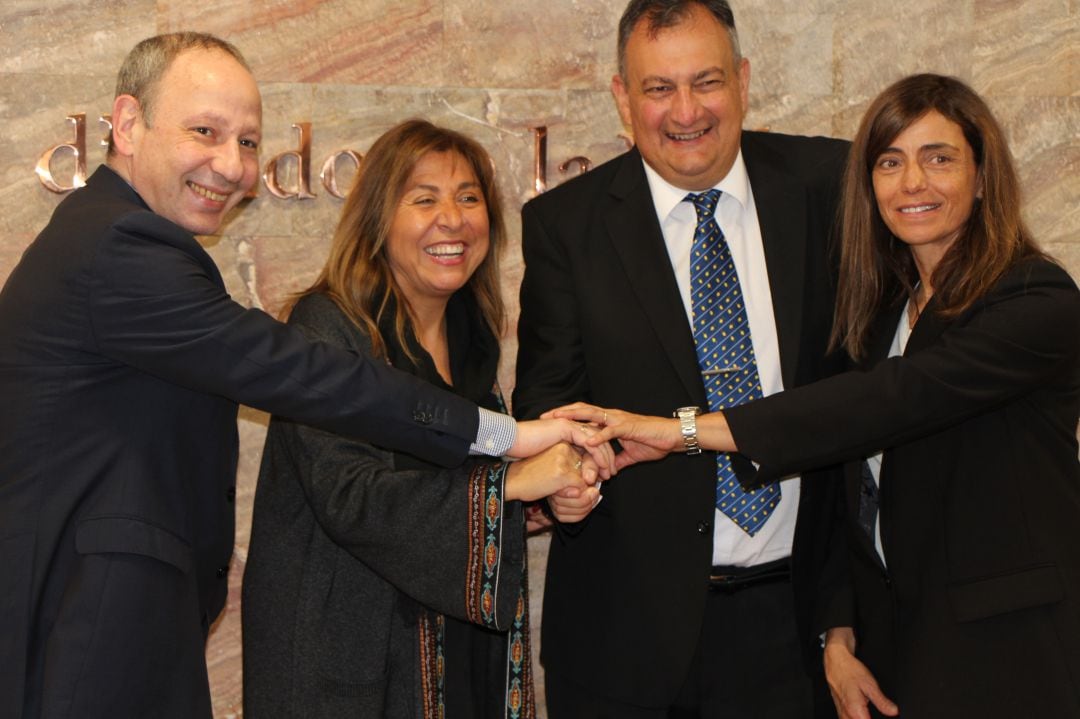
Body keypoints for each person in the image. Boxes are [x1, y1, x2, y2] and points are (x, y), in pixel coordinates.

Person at [0, 34, 610, 719]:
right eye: (206, 131)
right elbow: (301, 376)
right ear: (130, 123)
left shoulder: (126, 241)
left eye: (250, 142)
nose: (231, 165)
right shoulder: (119, 246)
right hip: (89, 624)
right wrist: (505, 439)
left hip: (118, 618)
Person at [553, 73, 1080, 719]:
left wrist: (686, 430)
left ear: (981, 175)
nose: (913, 182)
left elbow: (890, 400)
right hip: (902, 649)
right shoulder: (885, 311)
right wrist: (838, 629)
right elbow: (847, 486)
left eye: (938, 158)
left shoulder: (1037, 300)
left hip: (1011, 651)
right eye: (890, 162)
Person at [512, 1, 850, 716]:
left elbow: (866, 391)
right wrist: (561, 482)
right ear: (621, 98)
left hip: (797, 629)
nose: (685, 111)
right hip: (623, 643)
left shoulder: (830, 184)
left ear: (744, 80)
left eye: (707, 81)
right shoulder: (565, 227)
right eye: (658, 88)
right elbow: (549, 409)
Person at [242, 119, 599, 718]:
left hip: (454, 663)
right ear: (378, 219)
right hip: (345, 669)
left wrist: (541, 504)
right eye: (424, 198)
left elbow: (464, 487)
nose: (453, 220)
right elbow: (351, 495)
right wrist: (511, 483)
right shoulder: (327, 329)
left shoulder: (473, 342)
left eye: (468, 198)